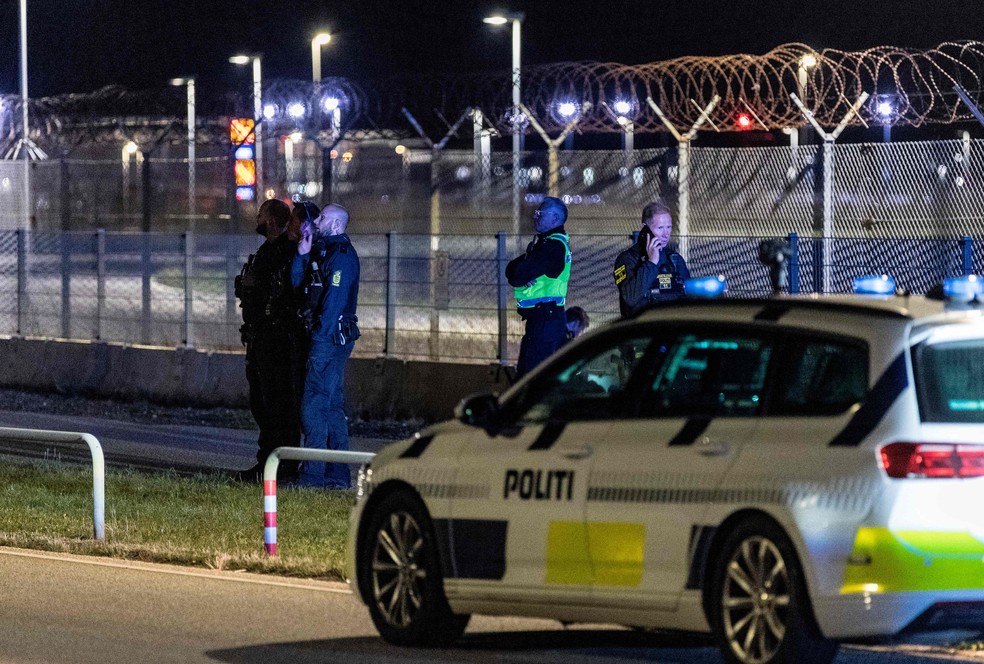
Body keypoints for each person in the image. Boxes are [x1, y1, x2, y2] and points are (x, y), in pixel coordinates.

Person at [291, 203, 361, 489]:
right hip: (326, 338)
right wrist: (302, 256)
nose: (316, 221)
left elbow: (333, 305)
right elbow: (300, 286)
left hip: (329, 340)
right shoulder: (322, 251)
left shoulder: (341, 257)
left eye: (321, 218)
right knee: (331, 407)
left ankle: (312, 475)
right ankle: (337, 476)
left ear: (334, 224)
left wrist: (319, 339)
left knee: (313, 405)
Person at [235, 199, 302, 482]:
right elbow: (245, 284)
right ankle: (267, 462)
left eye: (262, 216)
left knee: (277, 405)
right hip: (259, 336)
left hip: (276, 340)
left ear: (272, 221)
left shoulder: (286, 251)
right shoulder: (267, 250)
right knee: (261, 403)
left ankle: (280, 465)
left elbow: (281, 291)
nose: (258, 221)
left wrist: (254, 284)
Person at [506, 196, 571, 378]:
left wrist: (519, 271)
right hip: (545, 319)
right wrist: (519, 270)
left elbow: (517, 274)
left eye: (540, 213)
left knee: (531, 376)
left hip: (545, 321)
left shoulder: (552, 246)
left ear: (555, 219)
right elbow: (513, 269)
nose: (535, 217)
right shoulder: (546, 243)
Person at [613, 200, 691, 317]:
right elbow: (630, 297)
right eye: (660, 228)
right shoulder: (627, 259)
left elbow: (689, 298)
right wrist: (651, 263)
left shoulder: (674, 260)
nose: (666, 234)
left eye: (668, 227)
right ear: (645, 229)